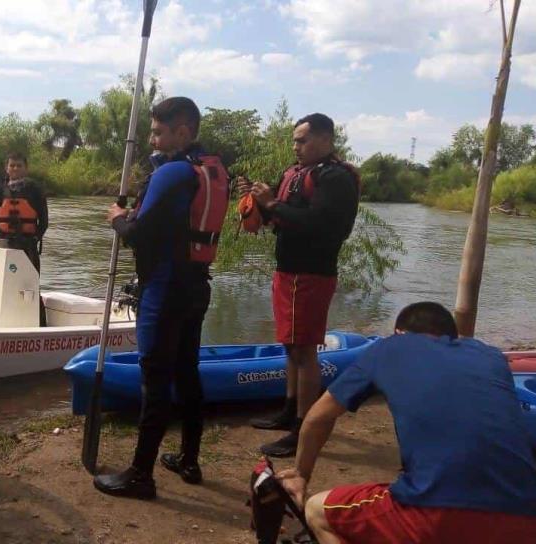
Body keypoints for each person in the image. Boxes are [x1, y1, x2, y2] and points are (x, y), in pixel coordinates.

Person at [275, 302, 536, 543]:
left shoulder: (389, 347)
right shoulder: (492, 356)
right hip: (531, 517)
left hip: (435, 513)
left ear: (398, 332)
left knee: (317, 510)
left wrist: (300, 475)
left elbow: (318, 417)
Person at [94, 97, 227, 499]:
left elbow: (139, 234)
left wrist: (117, 216)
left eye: (157, 132)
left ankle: (140, 475)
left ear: (182, 132)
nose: (151, 139)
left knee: (154, 379)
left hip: (164, 289)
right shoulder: (212, 169)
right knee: (187, 372)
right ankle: (188, 458)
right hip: (196, 286)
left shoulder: (172, 174)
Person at [237, 113, 360, 457]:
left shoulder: (336, 179)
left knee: (305, 350)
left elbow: (321, 224)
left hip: (312, 273)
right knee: (291, 346)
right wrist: (258, 203)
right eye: (295, 140)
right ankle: (290, 409)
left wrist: (273, 203)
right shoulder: (296, 173)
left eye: (302, 140)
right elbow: (283, 217)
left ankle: (303, 426)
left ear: (326, 140)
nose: (296, 146)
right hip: (288, 270)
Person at [0, 152, 48, 272]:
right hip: (6, 245)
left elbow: (44, 221)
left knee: (29, 284)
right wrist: (1, 235)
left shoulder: (35, 191)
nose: (15, 168)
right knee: (5, 281)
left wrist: (35, 239)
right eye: (12, 165)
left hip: (29, 246)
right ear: (7, 168)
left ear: (26, 168)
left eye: (19, 165)